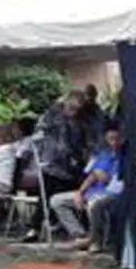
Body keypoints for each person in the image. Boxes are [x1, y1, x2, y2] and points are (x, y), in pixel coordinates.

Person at [21, 91, 91, 243]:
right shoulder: (52, 115)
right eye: (71, 107)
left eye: (77, 109)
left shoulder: (80, 122)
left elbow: (82, 142)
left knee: (68, 193)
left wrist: (79, 156)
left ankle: (64, 226)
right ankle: (35, 228)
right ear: (66, 103)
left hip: (71, 166)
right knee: (45, 195)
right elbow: (40, 133)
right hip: (51, 163)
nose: (73, 112)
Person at [49, 123, 122, 248]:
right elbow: (91, 176)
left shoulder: (126, 157)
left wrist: (108, 179)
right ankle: (79, 235)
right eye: (111, 139)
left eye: (117, 139)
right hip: (92, 191)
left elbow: (119, 183)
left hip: (110, 194)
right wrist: (80, 192)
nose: (114, 142)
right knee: (57, 200)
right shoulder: (101, 155)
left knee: (94, 204)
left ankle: (95, 240)